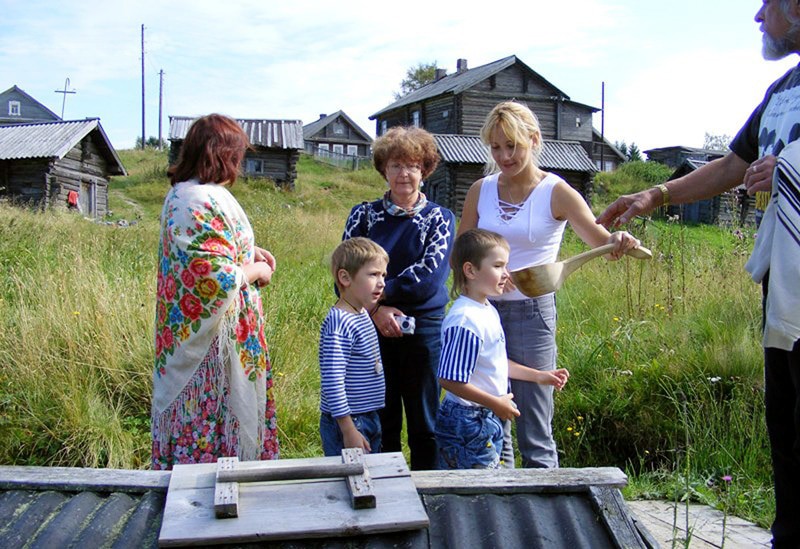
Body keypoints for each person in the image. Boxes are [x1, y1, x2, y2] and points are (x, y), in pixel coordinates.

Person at [597, 3, 800, 545]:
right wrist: (655, 193)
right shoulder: (782, 90)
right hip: (783, 292)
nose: (758, 16)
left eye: (768, 4)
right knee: (788, 429)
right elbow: (734, 164)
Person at [458, 101, 640, 469]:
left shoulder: (556, 191)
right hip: (485, 313)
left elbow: (599, 241)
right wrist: (472, 291)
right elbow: (463, 250)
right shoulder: (481, 189)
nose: (504, 156)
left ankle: (547, 514)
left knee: (534, 425)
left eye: (512, 146)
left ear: (534, 140)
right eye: (496, 147)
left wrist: (618, 239)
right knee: (494, 419)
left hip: (532, 312)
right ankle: (504, 507)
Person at [151, 114, 279, 470]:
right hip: (210, 349)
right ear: (221, 154)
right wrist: (254, 270)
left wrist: (249, 250)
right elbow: (212, 276)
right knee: (215, 435)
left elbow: (211, 247)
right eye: (235, 155)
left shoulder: (191, 194)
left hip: (220, 333)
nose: (238, 164)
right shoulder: (195, 199)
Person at [342, 126, 455, 470]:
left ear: (424, 170)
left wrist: (374, 294)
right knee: (380, 419)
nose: (404, 173)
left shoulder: (440, 218)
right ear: (383, 169)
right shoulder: (363, 216)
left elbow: (428, 279)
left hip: (423, 333)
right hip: (367, 330)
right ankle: (386, 498)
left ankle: (429, 498)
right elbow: (344, 275)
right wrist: (375, 310)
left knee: (425, 423)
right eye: (395, 165)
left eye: (412, 165)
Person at [435, 229, 569, 469]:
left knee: (491, 484)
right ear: (470, 270)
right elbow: (449, 380)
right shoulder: (466, 320)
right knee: (472, 492)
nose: (506, 274)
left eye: (506, 265)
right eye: (498, 266)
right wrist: (495, 403)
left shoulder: (486, 309)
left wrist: (539, 376)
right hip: (467, 421)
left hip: (484, 415)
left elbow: (496, 362)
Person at [319, 237, 389, 456]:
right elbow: (333, 380)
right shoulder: (339, 322)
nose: (381, 282)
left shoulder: (361, 313)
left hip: (368, 415)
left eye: (383, 275)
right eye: (373, 274)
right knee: (351, 481)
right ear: (345, 277)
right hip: (349, 421)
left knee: (369, 477)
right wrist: (348, 428)